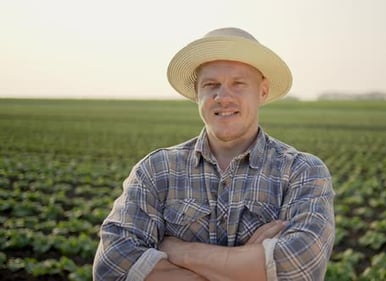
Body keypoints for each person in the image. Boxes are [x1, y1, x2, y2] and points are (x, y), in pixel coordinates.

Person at [93, 27, 335, 281]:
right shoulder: (156, 170)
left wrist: (179, 250)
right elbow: (112, 265)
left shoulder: (301, 171)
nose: (223, 97)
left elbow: (299, 269)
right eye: (211, 85)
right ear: (198, 93)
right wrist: (251, 264)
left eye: (238, 84)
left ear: (262, 91)